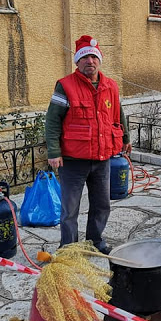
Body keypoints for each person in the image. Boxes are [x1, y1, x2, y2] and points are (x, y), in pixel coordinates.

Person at [45, 35, 131, 254]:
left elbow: (118, 115)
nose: (90, 61)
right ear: (77, 62)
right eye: (85, 57)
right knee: (70, 209)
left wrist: (125, 139)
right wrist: (54, 151)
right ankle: (69, 248)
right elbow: (53, 120)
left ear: (99, 60)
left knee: (102, 205)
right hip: (73, 160)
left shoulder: (111, 86)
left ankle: (95, 240)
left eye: (93, 57)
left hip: (102, 159)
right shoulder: (65, 86)